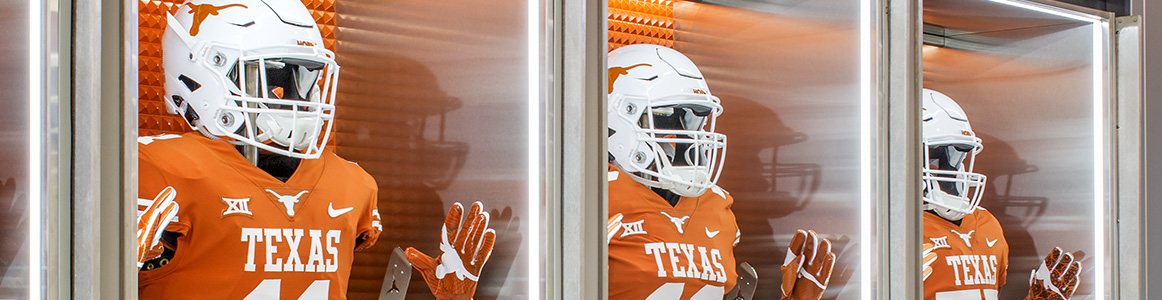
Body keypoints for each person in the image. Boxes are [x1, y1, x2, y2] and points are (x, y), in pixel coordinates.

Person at [134, 0, 381, 298]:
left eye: (299, 77)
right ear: (198, 72)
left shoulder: (351, 182)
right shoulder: (158, 167)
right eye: (270, 79)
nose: (292, 100)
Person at [605, 44, 835, 300]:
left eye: (694, 122)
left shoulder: (717, 208)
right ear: (616, 118)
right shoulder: (596, 199)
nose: (689, 137)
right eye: (666, 118)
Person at [920, 88, 1082, 300]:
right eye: (935, 157)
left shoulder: (987, 224)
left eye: (953, 157)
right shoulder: (899, 233)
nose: (949, 170)